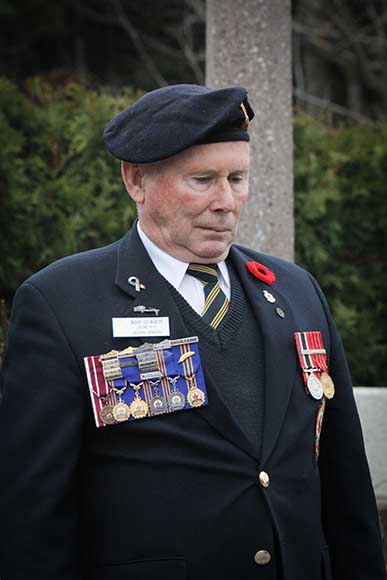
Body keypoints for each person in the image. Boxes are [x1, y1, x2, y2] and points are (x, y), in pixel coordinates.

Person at [0, 84, 385, 580]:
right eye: (202, 180)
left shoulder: (296, 292)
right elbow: (30, 519)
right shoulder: (63, 304)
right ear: (137, 180)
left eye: (238, 178)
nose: (226, 201)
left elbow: (346, 486)